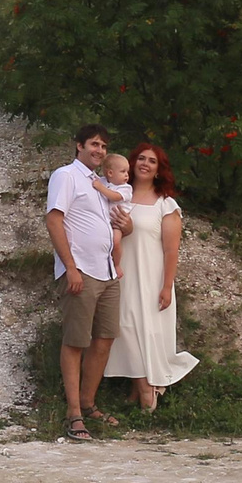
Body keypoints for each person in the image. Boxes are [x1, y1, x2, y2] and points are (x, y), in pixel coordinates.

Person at [46, 123, 127, 440]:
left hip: (107, 272)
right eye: (94, 144)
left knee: (104, 339)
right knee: (76, 341)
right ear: (78, 145)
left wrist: (127, 225)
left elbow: (114, 226)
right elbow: (54, 220)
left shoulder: (102, 183)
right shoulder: (66, 176)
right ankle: (74, 414)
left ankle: (89, 403)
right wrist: (71, 268)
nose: (100, 151)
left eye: (104, 146)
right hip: (82, 271)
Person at [105, 142, 197, 409]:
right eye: (141, 158)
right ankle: (144, 387)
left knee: (141, 331)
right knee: (124, 329)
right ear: (132, 164)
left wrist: (167, 286)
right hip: (120, 275)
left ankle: (146, 391)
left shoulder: (165, 205)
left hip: (150, 279)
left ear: (159, 170)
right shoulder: (117, 195)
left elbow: (171, 251)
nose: (145, 164)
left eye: (152, 161)